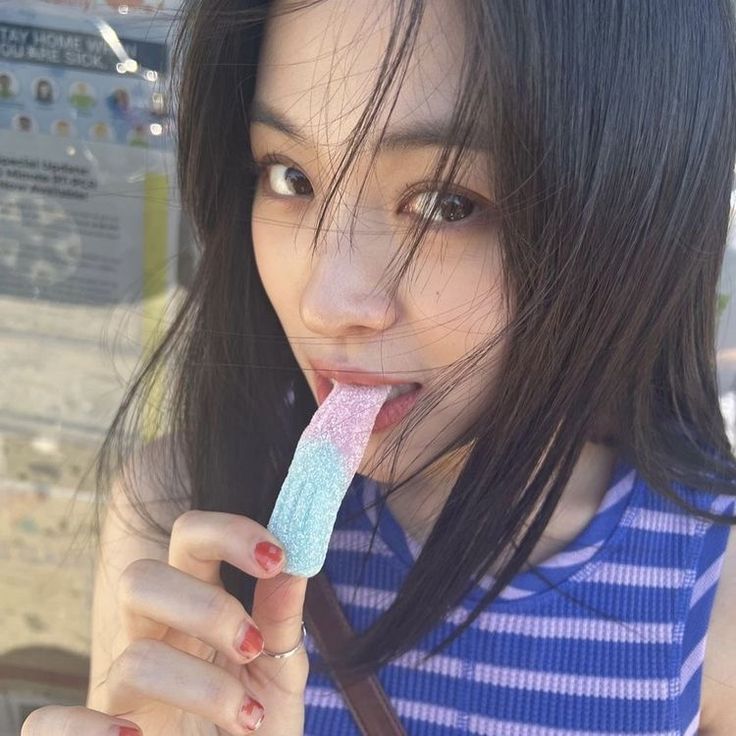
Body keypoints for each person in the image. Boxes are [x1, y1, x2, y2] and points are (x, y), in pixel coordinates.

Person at [20, 0, 736, 734]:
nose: (326, 303)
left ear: (637, 213)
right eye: (289, 176)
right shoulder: (182, 519)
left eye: (445, 202)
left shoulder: (712, 570)